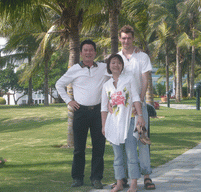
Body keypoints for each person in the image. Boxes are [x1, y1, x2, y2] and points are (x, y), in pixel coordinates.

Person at [55, 39, 109, 189]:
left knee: (99, 147)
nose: (88, 53)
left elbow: (119, 69)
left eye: (91, 50)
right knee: (79, 148)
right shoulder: (74, 69)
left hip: (99, 112)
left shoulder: (103, 67)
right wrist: (68, 101)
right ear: (80, 53)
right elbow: (59, 84)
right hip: (80, 112)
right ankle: (77, 178)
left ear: (95, 52)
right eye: (85, 50)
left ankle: (96, 178)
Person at [115, 25, 156, 190]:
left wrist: (138, 102)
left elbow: (145, 79)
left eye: (129, 38)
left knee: (142, 140)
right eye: (123, 38)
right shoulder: (116, 58)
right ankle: (124, 178)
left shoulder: (142, 56)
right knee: (123, 142)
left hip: (139, 107)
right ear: (120, 39)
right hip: (122, 109)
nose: (126, 41)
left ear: (133, 38)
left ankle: (146, 176)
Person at [101, 54, 145, 192]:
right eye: (113, 63)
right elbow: (103, 107)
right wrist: (103, 125)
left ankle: (133, 184)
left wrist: (140, 115)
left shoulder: (129, 79)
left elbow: (136, 97)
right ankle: (119, 183)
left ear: (122, 66)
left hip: (130, 120)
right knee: (117, 156)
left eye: (119, 63)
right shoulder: (106, 85)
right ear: (109, 66)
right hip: (113, 123)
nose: (116, 65)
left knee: (131, 153)